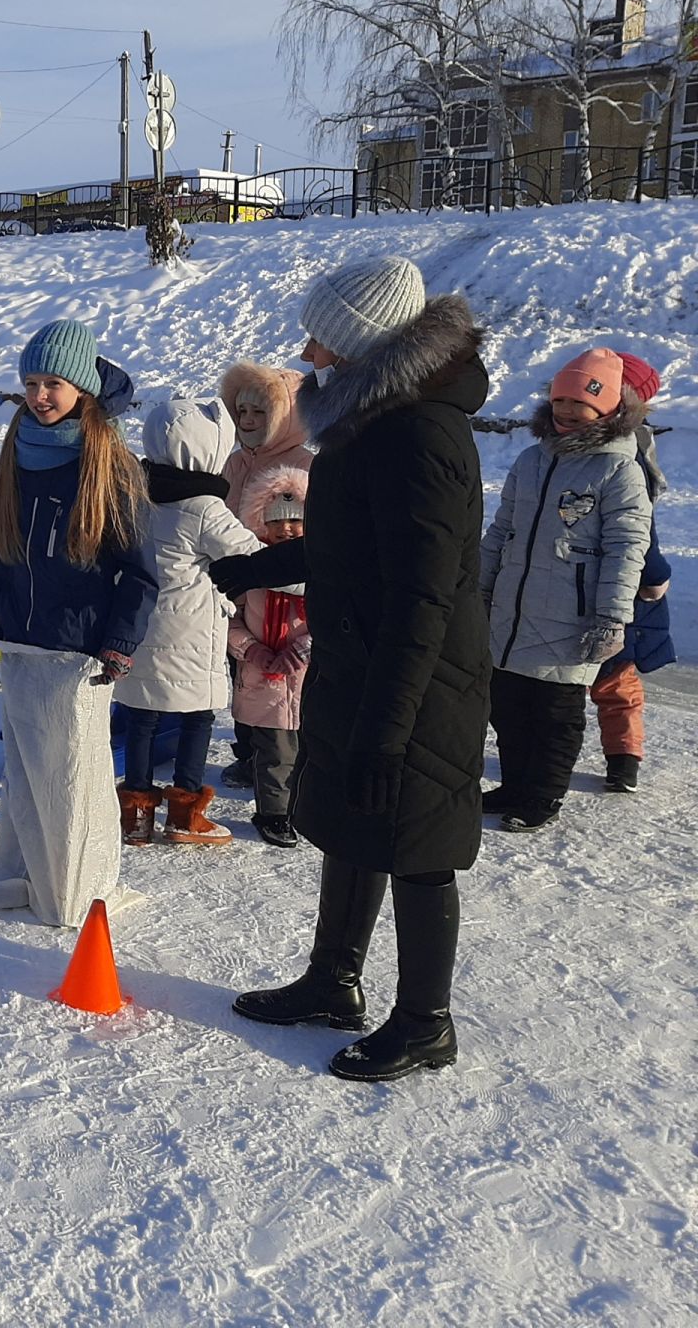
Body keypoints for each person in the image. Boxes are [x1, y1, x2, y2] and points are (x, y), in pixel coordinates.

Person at [214, 255, 490, 1084]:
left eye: (324, 337)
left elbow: (424, 598)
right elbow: (344, 554)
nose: (308, 350)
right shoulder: (370, 420)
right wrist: (252, 573)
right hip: (361, 659)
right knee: (346, 820)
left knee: (415, 841)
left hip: (418, 679)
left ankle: (425, 1021)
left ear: (366, 343)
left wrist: (388, 730)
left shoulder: (420, 435)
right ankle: (334, 979)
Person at [0, 319, 157, 928]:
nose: (39, 395)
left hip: (79, 651)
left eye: (53, 382)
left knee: (71, 779)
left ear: (81, 387)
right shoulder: (17, 451)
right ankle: (27, 875)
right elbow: (3, 549)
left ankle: (78, 887)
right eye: (30, 382)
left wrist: (118, 642)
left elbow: (140, 573)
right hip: (21, 643)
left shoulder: (110, 465)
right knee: (27, 776)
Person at [479, 349, 651, 831]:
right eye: (561, 402)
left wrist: (611, 618)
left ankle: (542, 797)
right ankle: (514, 785)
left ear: (609, 410)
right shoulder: (532, 460)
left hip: (573, 616)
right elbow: (501, 530)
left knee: (554, 716)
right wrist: (479, 586)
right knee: (508, 706)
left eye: (583, 406)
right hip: (513, 611)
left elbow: (626, 549)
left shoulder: (619, 471)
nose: (569, 413)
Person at [115, 397, 263, 848]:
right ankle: (186, 814)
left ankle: (136, 816)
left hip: (141, 627)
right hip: (192, 637)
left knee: (142, 717)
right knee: (197, 717)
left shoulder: (138, 494)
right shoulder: (204, 508)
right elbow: (251, 555)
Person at [217, 360, 313, 790]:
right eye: (242, 413)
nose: (249, 422)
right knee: (243, 676)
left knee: (290, 685)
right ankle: (249, 751)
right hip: (236, 590)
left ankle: (292, 759)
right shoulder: (234, 463)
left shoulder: (307, 465)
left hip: (287, 594)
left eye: (260, 413)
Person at [588, 351, 673, 793]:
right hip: (582, 577)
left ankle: (624, 760)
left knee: (615, 676)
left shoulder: (630, 453)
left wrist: (653, 573)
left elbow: (643, 528)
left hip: (622, 581)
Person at [227, 464, 311, 848]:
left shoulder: (321, 567)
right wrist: (252, 650)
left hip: (309, 675)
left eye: (295, 520)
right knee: (275, 752)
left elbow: (337, 615)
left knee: (309, 748)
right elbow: (231, 621)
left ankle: (306, 807)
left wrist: (305, 646)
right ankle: (274, 813)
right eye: (276, 521)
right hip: (265, 678)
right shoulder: (252, 568)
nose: (287, 529)